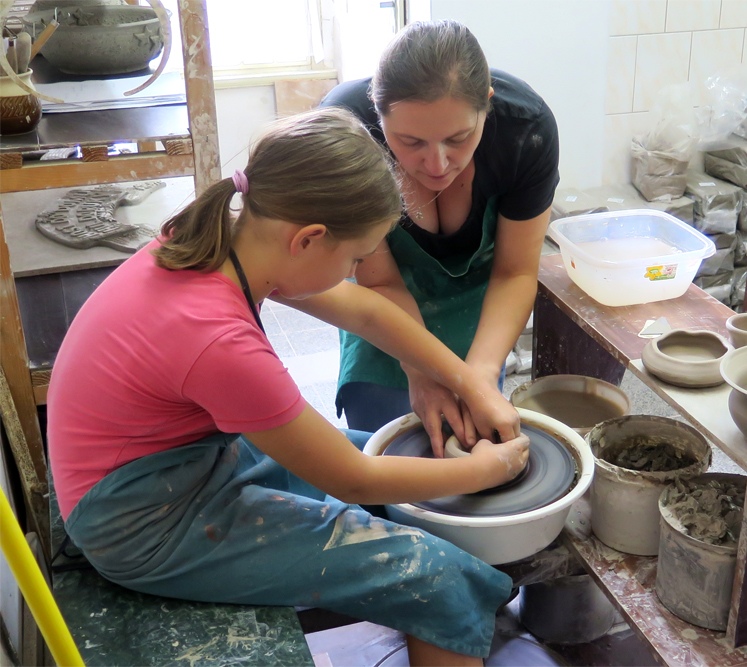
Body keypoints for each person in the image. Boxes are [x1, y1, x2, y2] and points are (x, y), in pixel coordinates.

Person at [47, 108, 529, 667]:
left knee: (393, 453)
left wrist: (470, 381)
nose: (353, 270)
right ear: (310, 239)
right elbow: (352, 479)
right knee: (434, 575)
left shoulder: (225, 239)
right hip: (140, 522)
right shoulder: (218, 342)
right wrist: (489, 470)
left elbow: (368, 313)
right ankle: (450, 610)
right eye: (353, 258)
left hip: (174, 461)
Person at [321, 20, 559, 456]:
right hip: (383, 303)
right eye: (410, 141)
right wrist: (421, 369)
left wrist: (479, 375)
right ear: (378, 113)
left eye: (459, 138)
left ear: (487, 103)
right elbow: (380, 282)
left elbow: (515, 271)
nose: (436, 164)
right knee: (392, 446)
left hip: (480, 306)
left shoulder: (526, 131)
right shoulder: (347, 131)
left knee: (476, 418)